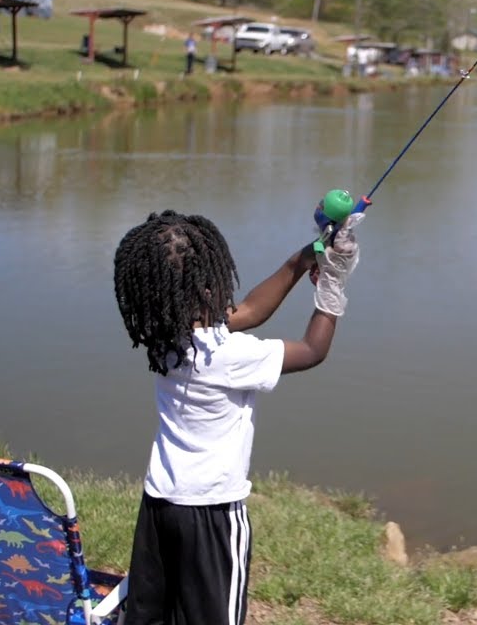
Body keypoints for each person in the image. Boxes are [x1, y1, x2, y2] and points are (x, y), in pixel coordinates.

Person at [112, 208, 363, 625]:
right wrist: (334, 282)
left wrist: (309, 255)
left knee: (151, 615)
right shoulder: (227, 356)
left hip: (159, 505)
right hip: (211, 514)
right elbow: (313, 350)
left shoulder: (164, 335)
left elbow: (248, 311)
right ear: (207, 285)